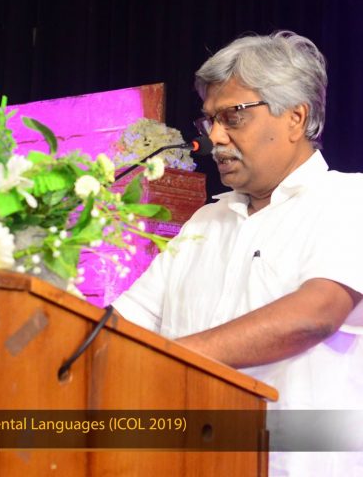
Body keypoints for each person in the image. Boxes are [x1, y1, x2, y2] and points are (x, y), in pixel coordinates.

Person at [112, 31, 363, 476]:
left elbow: (314, 314)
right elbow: (126, 323)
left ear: (296, 118)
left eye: (233, 117)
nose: (215, 137)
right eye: (209, 120)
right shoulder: (204, 222)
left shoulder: (348, 200)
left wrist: (167, 360)